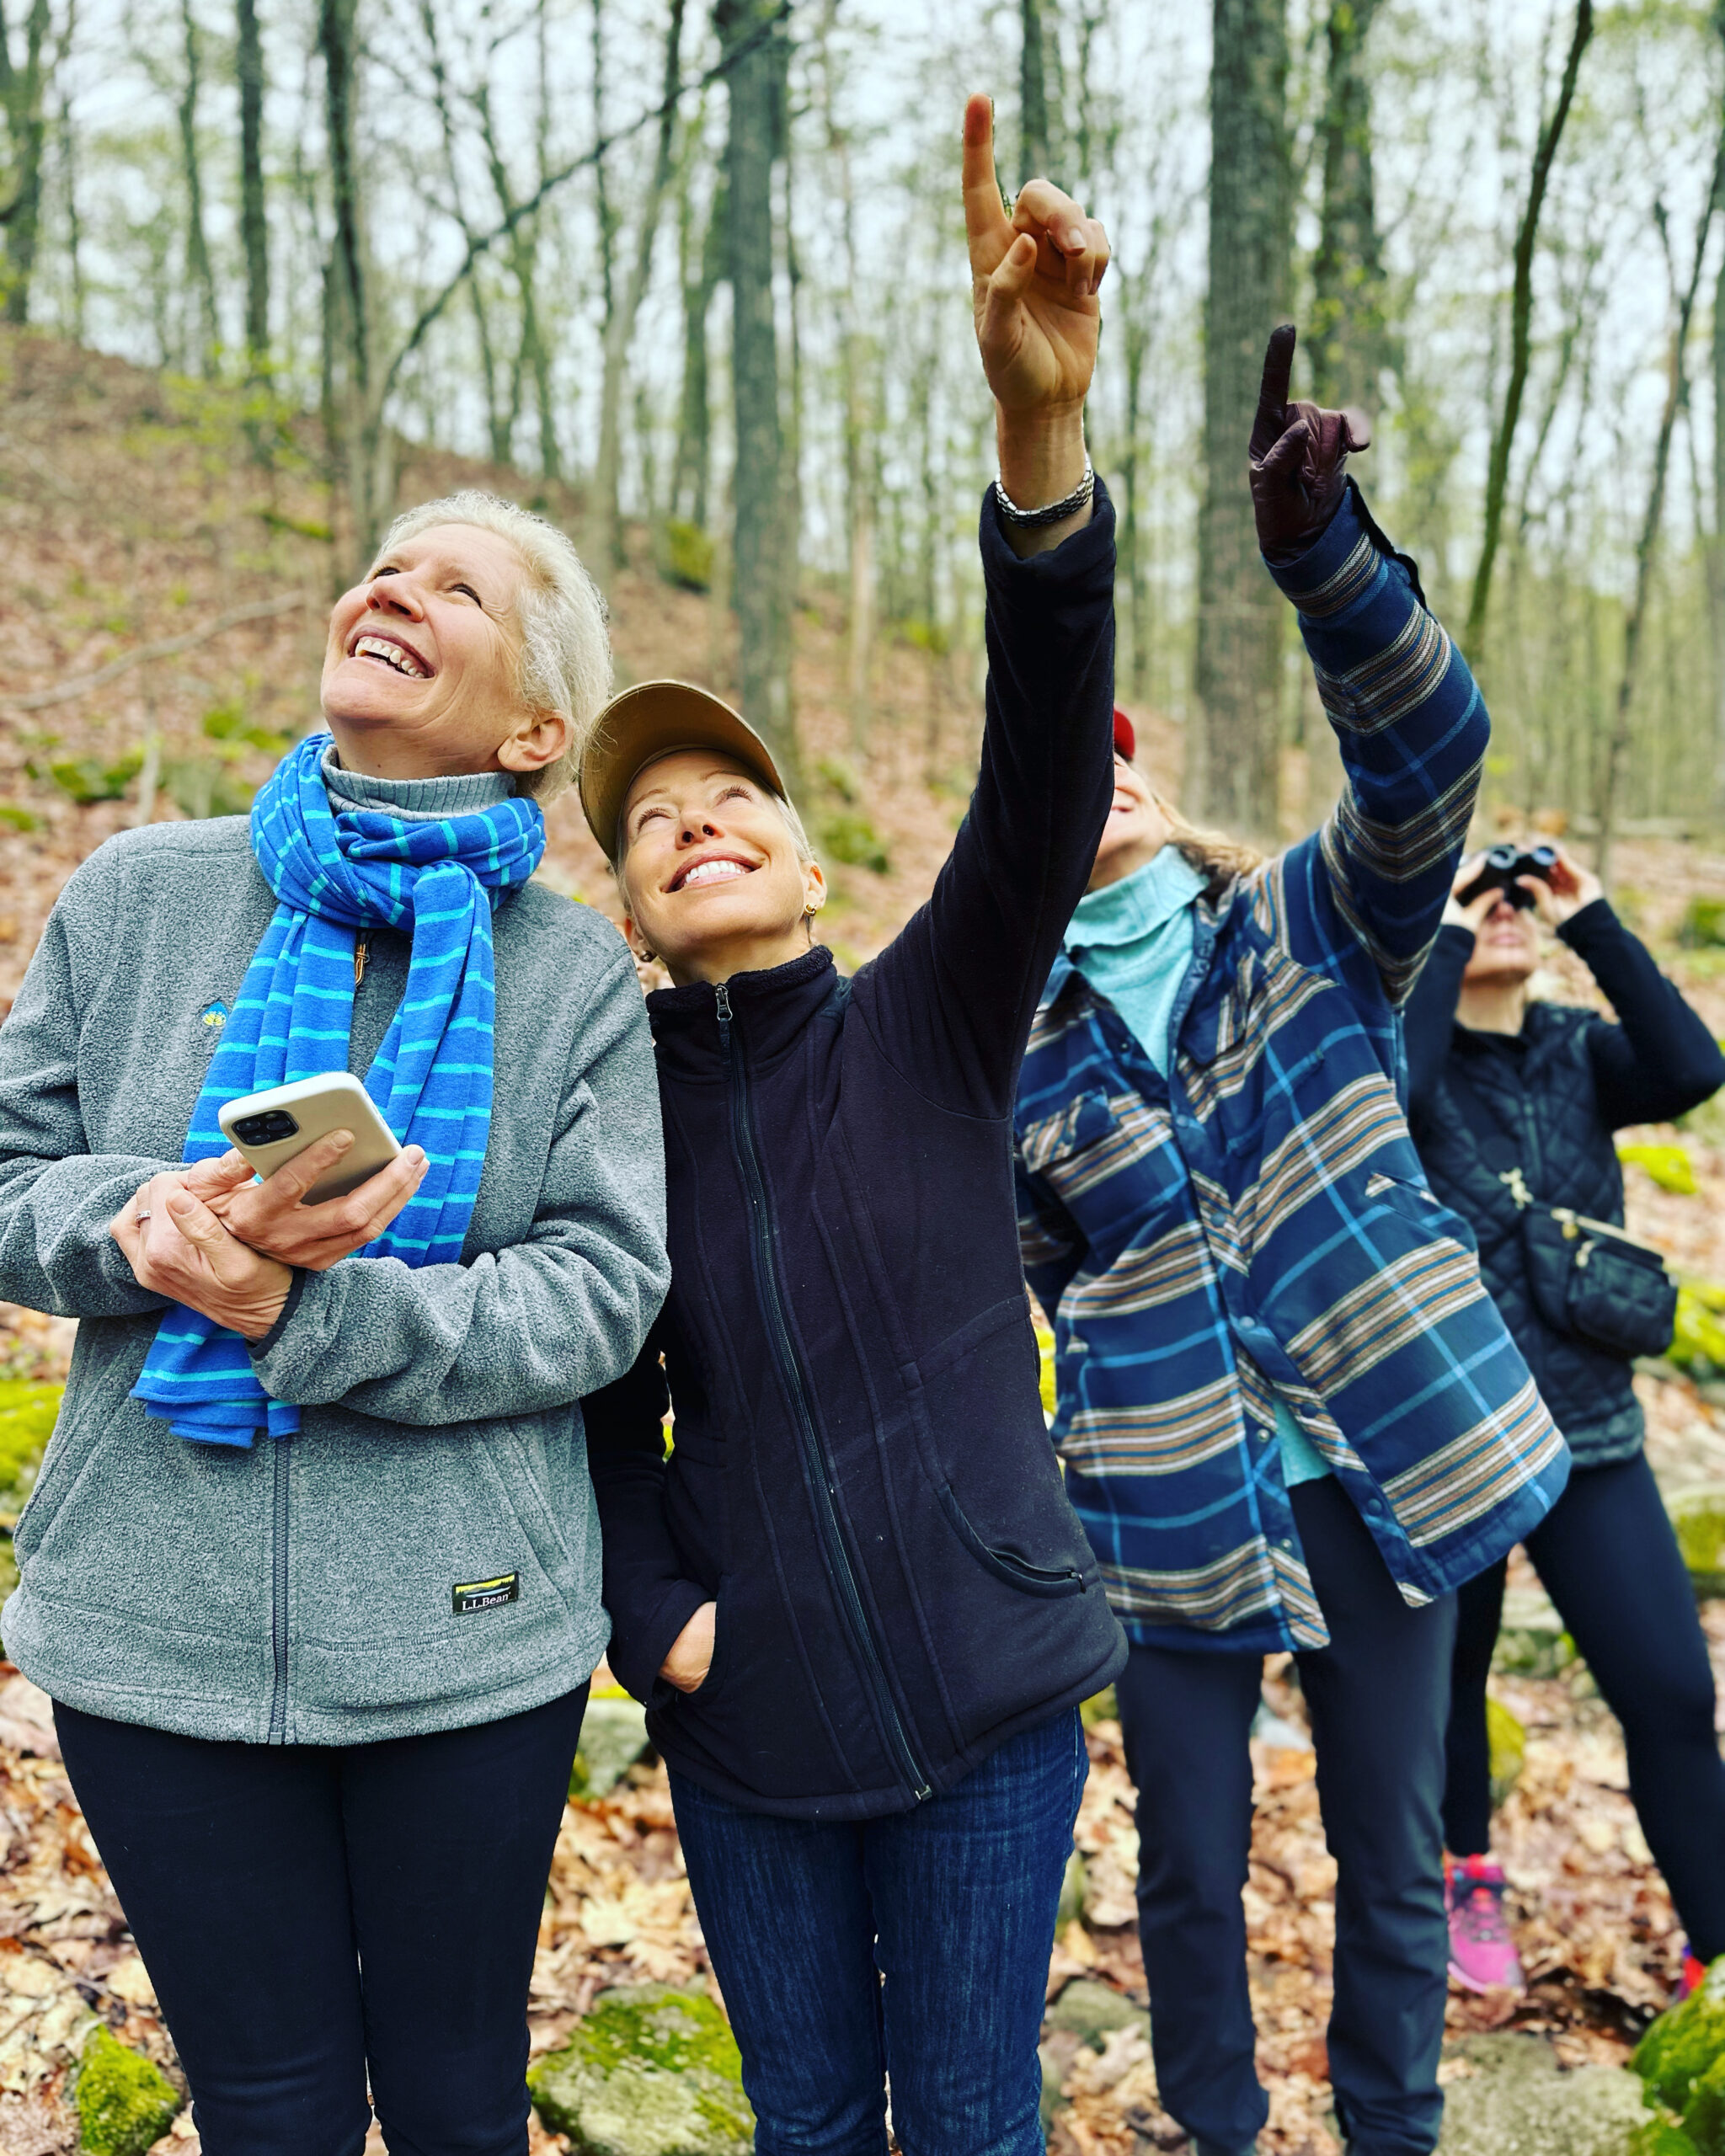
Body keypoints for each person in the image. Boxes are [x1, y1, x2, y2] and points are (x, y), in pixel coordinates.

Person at [580, 97, 1126, 2156]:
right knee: (808, 2121)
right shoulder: (603, 1104)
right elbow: (584, 1396)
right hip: (746, 1721)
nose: (695, 818)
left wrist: (1038, 444)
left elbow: (1046, 773)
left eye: (732, 798)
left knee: (972, 2121)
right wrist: (661, 1621)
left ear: (807, 864)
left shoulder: (933, 1018)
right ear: (629, 906)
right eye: (650, 821)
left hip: (988, 1693)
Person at [0, 491, 669, 2156]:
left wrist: (307, 1311)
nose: (394, 585)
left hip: (465, 1637)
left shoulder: (575, 974)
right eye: (386, 562)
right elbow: (11, 1173)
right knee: (270, 2099)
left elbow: (598, 1292)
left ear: (532, 725)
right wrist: (134, 1224)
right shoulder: (138, 893)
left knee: (454, 2097)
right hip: (151, 1620)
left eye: (461, 586)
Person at [1012, 328, 1571, 2156]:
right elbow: (1029, 1276)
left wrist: (1326, 557)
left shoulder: (1307, 928)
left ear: (1153, 781)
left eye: (1116, 750)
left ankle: (1393, 2128)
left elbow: (1429, 751)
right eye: (1057, 764)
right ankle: (1221, 2125)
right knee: (1185, 1862)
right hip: (1161, 1496)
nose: (1097, 772)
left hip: (1382, 1464)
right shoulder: (1012, 1056)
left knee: (1390, 1846)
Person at [1404, 843, 1725, 1997]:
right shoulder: (1420, 1061)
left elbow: (1696, 1066)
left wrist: (1586, 916)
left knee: (1676, 1696)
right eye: (1482, 905)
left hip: (1591, 1434)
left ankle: (1717, 1947)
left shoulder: (1580, 1055)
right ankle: (1466, 1865)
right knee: (1453, 1681)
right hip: (1458, 1440)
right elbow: (1390, 1099)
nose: (1505, 913)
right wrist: (1443, 923)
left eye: (1515, 905)